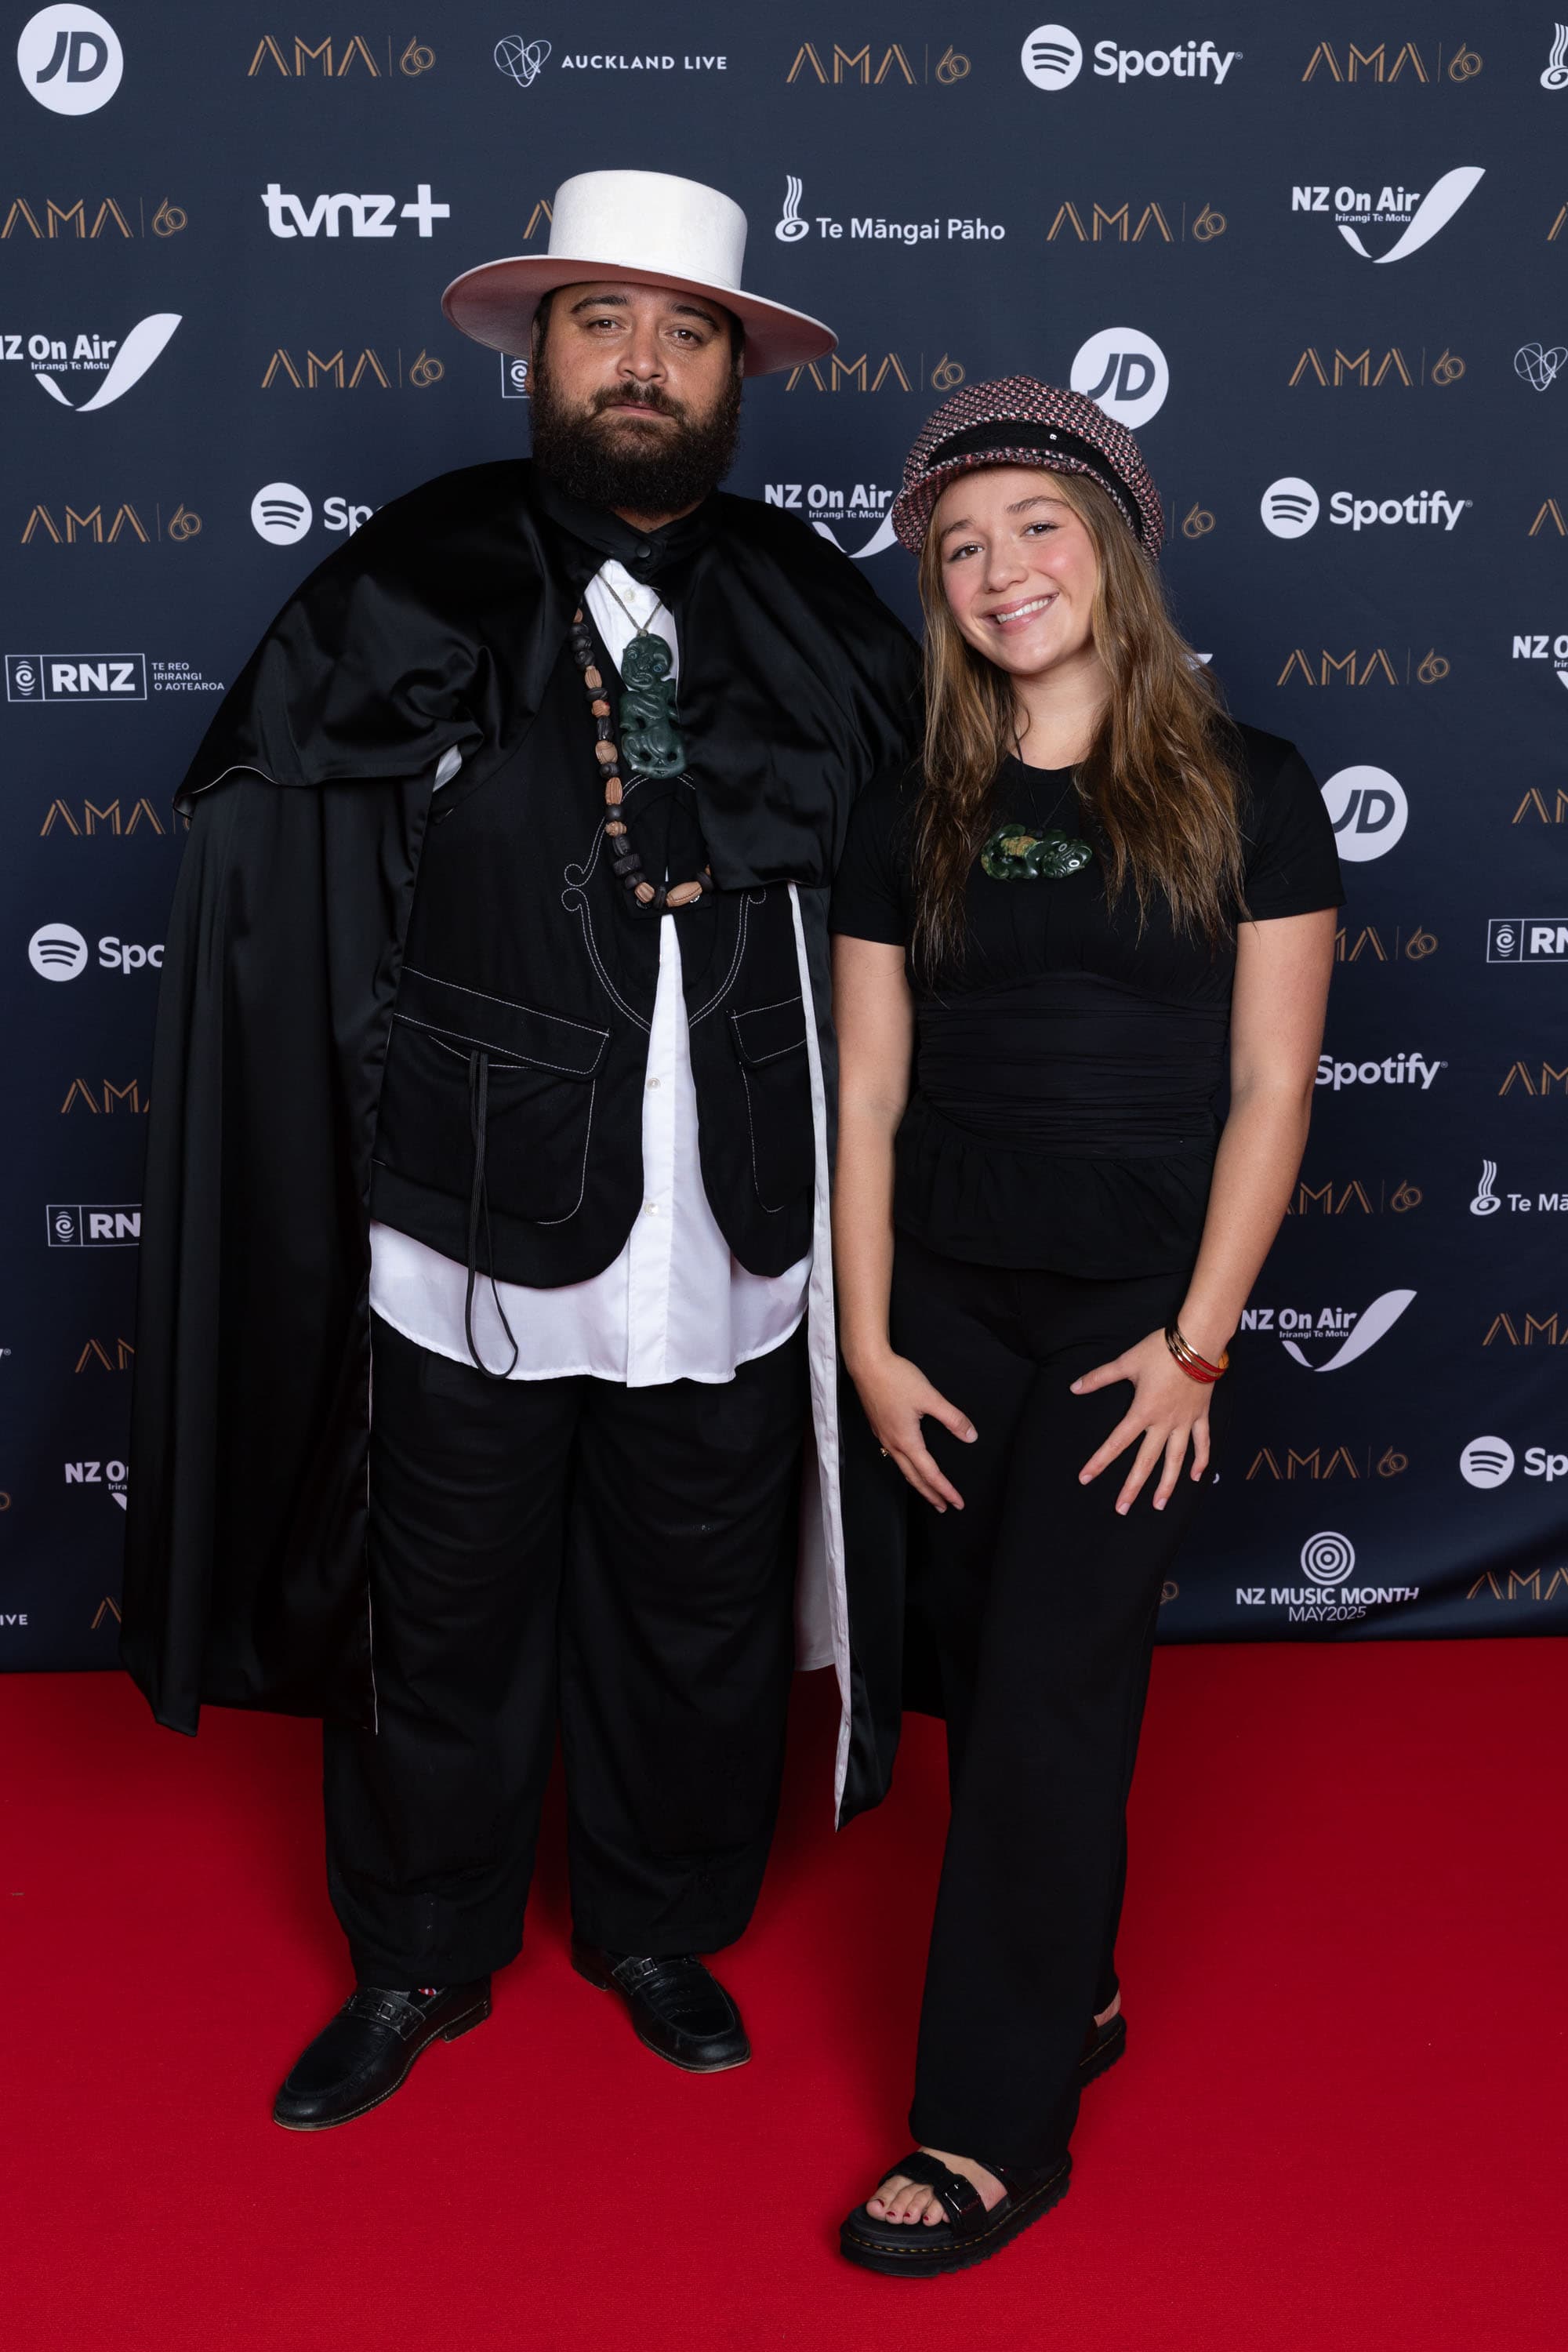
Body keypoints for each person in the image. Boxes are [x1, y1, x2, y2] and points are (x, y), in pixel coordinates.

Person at [121, 170, 918, 2129]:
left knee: (699, 1602)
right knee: (442, 1608)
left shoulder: (820, 610)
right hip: (464, 1227)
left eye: (686, 331)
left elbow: (919, 902)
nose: (643, 363)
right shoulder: (407, 581)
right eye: (603, 323)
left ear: (734, 373)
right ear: (540, 353)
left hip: (733, 1223)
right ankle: (417, 1951)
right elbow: (274, 863)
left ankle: (660, 1921)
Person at [829, 378, 1341, 2276]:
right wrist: (870, 1345)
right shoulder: (909, 806)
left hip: (1135, 1321)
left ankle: (987, 2125)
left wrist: (1197, 1344)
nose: (998, 570)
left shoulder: (1253, 787)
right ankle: (1076, 1982)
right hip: (943, 1309)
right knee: (984, 1678)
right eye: (959, 546)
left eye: (1034, 526)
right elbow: (868, 1092)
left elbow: (1270, 1087)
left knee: (1051, 1693)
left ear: (1113, 545)